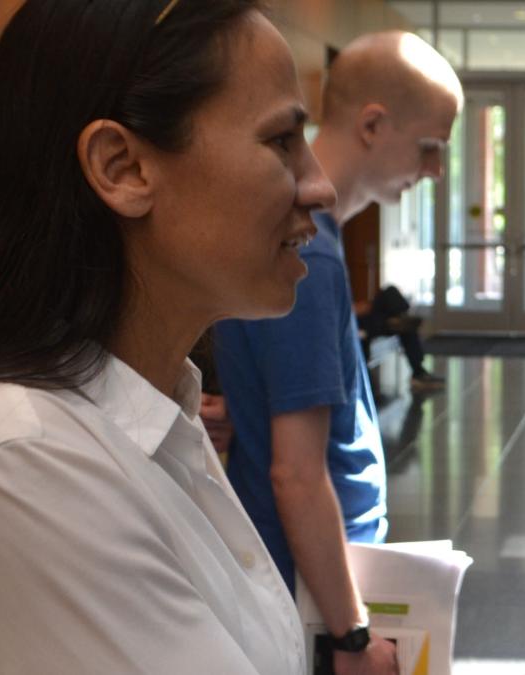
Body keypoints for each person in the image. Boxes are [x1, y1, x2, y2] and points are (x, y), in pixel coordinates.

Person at [0, 1, 335, 672]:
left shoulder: (151, 415)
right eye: (281, 141)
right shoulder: (13, 459)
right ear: (122, 167)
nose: (319, 185)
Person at [209, 30, 461, 675]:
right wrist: (351, 635)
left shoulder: (295, 243)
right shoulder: (310, 255)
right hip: (311, 595)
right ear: (373, 125)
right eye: (430, 148)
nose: (434, 171)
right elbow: (297, 473)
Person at [356, 284, 444, 391]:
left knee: (405, 327)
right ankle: (418, 373)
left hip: (371, 321)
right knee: (391, 292)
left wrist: (364, 306)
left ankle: (399, 317)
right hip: (361, 322)